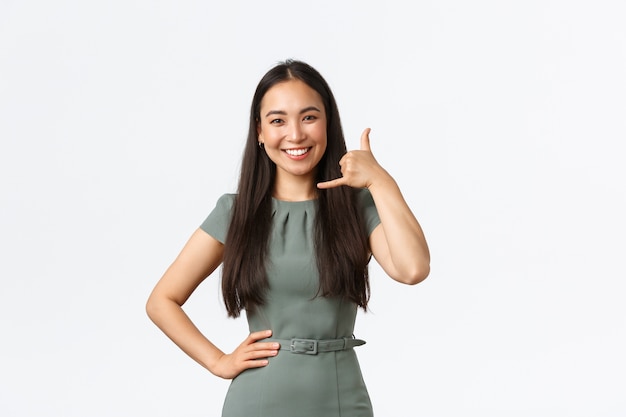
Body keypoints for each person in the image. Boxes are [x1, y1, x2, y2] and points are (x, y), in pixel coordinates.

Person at [146, 59, 430, 417]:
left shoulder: (357, 206)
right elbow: (161, 301)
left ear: (328, 123)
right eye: (278, 120)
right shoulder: (236, 212)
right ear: (260, 132)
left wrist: (381, 181)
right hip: (259, 399)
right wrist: (218, 361)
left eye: (309, 117)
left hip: (342, 398)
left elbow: (413, 269)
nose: (295, 135)